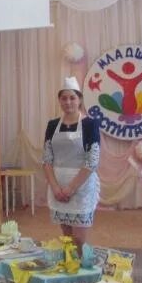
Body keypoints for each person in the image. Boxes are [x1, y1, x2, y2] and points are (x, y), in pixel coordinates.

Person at [42, 77, 101, 249]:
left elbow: (92, 161)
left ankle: (81, 264)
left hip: (81, 187)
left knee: (79, 239)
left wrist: (71, 188)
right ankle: (69, 264)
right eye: (64, 98)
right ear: (59, 100)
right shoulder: (52, 125)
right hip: (58, 186)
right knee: (67, 237)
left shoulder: (90, 124)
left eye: (72, 98)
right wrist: (55, 187)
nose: (68, 102)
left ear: (79, 100)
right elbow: (47, 159)